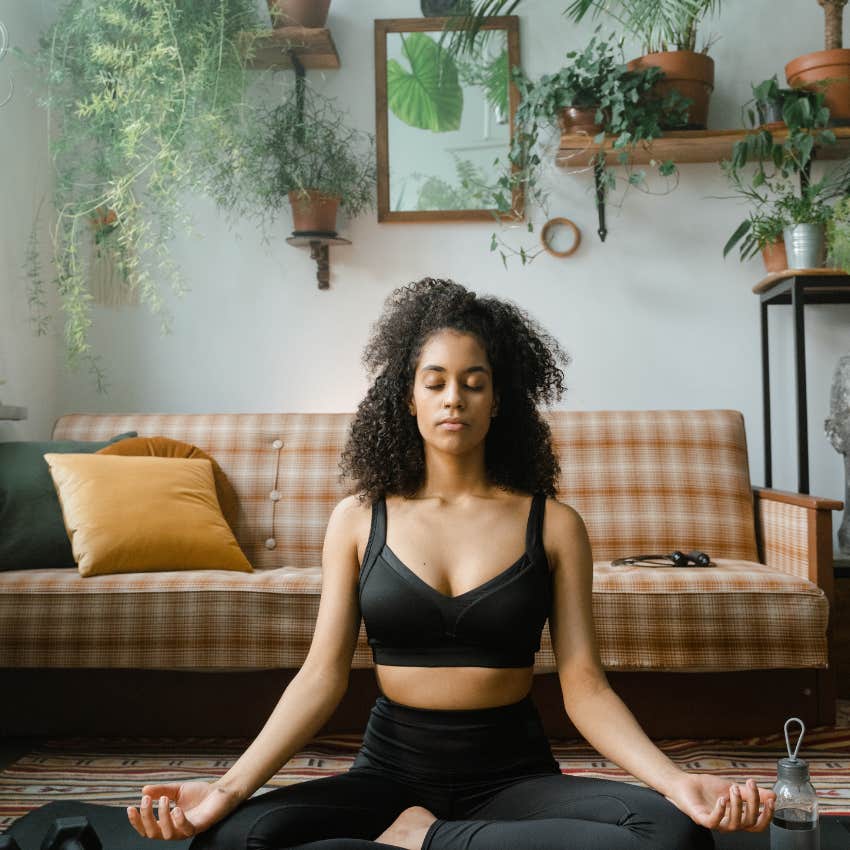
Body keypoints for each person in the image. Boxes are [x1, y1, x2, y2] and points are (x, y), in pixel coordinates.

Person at [127, 278, 775, 849]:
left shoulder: (553, 524)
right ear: (407, 396)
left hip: (513, 777)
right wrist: (228, 788)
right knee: (235, 837)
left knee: (670, 833)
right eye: (434, 381)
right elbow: (320, 678)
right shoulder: (358, 518)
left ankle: (426, 840)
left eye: (474, 383)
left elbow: (586, 687)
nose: (454, 399)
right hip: (388, 775)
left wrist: (676, 782)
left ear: (499, 400)